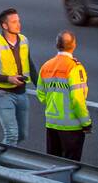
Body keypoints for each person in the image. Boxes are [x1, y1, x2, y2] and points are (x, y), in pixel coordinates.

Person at [0, 8, 38, 146]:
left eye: (18, 21)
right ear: (4, 26)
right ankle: (1, 166)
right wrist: (8, 79)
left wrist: (41, 88)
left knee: (22, 135)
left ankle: (8, 158)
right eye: (14, 22)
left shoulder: (24, 40)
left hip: (22, 94)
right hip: (3, 95)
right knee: (12, 135)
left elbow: (30, 65)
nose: (18, 24)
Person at [37, 30, 91, 161]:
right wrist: (86, 123)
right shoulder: (74, 68)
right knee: (70, 165)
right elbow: (78, 99)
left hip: (52, 123)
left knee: (53, 164)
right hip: (71, 126)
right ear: (74, 45)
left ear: (57, 45)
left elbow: (41, 95)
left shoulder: (46, 66)